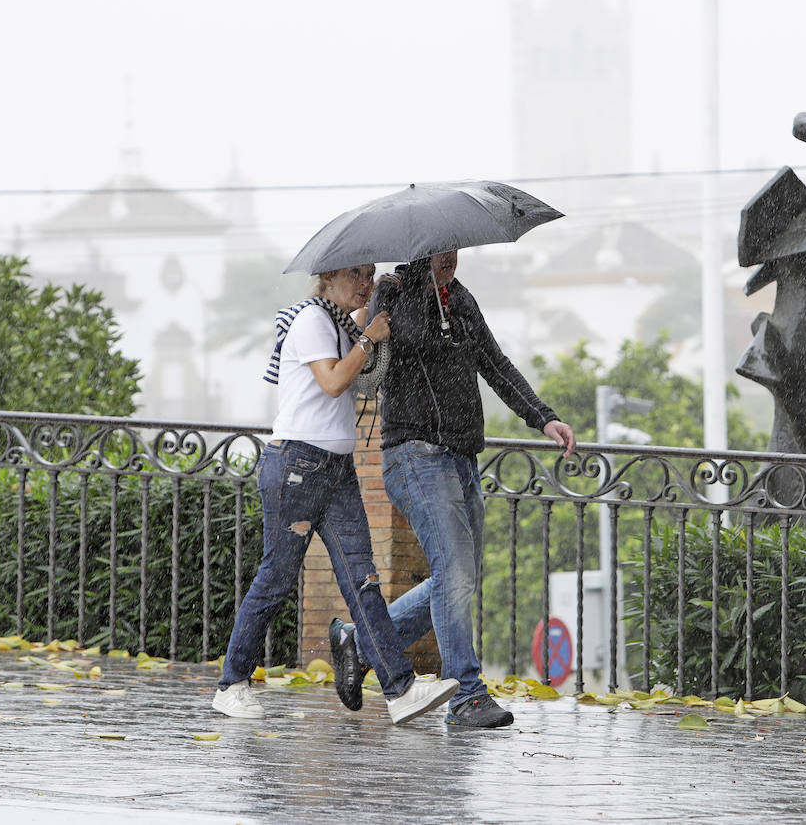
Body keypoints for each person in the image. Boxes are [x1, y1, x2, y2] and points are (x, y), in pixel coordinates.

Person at [213, 262, 459, 725]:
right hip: (297, 468)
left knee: (363, 583)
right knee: (276, 579)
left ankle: (400, 689)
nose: (364, 283)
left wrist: (374, 322)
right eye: (356, 275)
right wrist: (368, 338)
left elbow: (364, 382)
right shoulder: (310, 320)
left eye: (369, 274)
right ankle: (231, 682)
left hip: (338, 472)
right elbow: (332, 383)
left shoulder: (340, 325)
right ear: (328, 278)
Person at [369, 250, 577, 728]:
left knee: (457, 577)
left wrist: (543, 416)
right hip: (414, 454)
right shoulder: (394, 294)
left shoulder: (460, 300)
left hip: (461, 457)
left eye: (456, 250)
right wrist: (424, 292)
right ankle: (466, 694)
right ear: (419, 253)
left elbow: (495, 363)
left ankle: (361, 643)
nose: (451, 260)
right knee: (455, 574)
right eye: (440, 252)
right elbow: (408, 341)